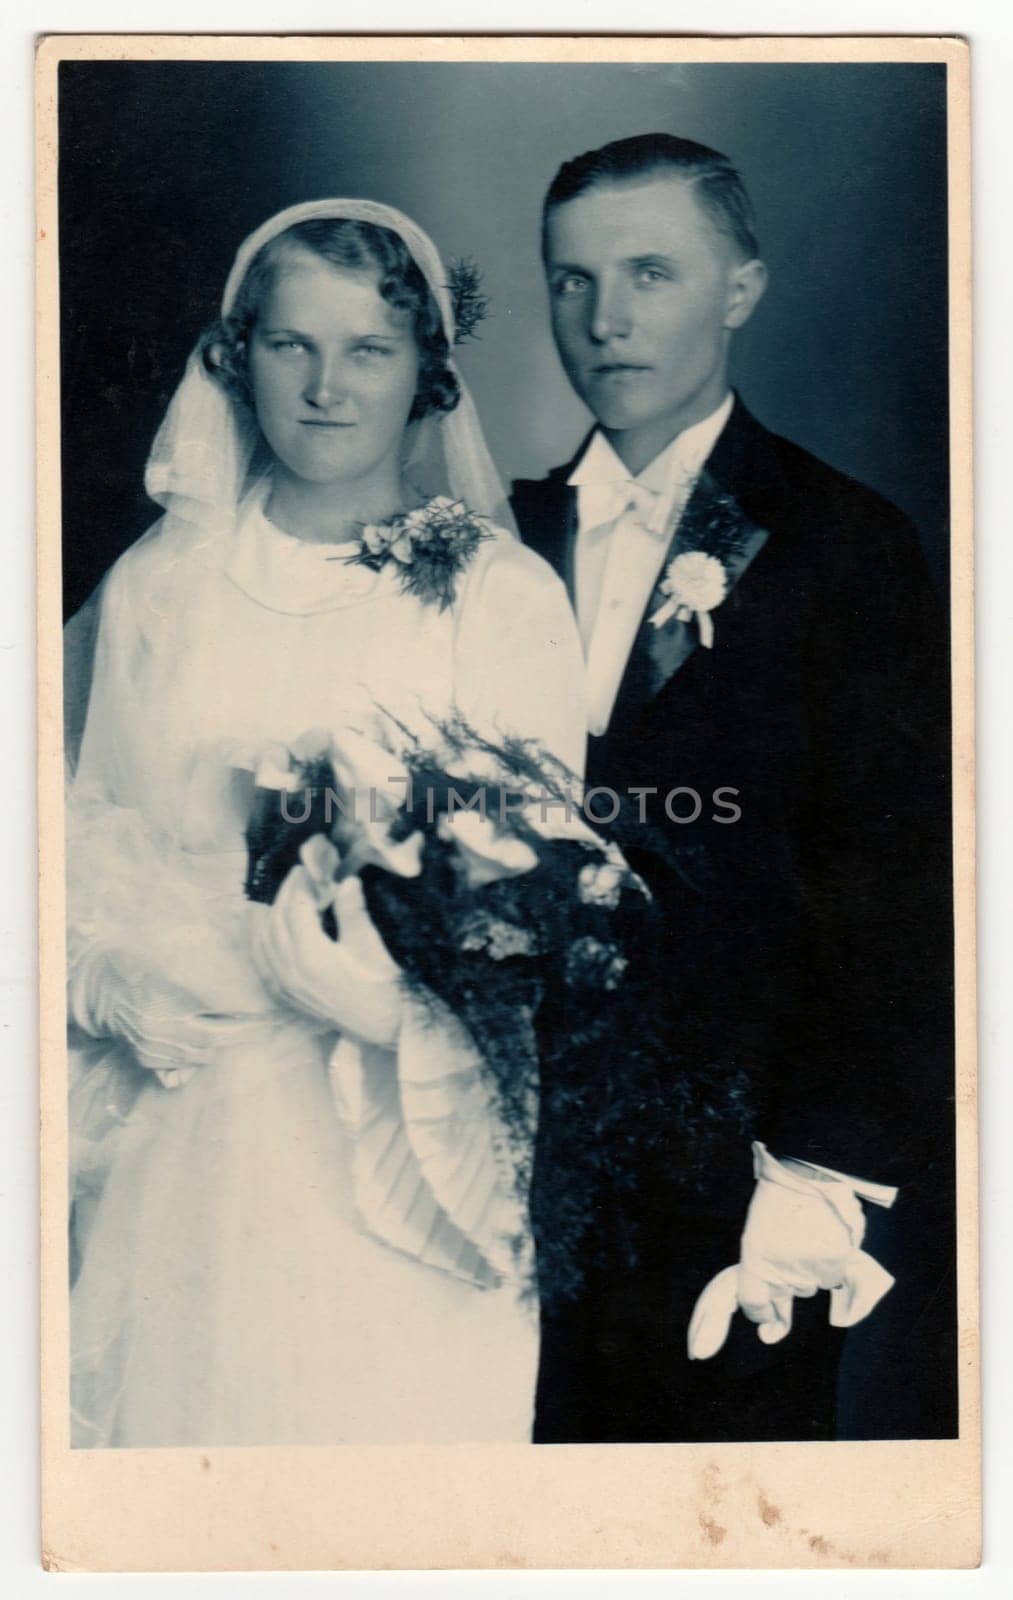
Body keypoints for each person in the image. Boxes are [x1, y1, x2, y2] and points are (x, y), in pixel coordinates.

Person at [65, 199, 587, 1447]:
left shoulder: (494, 594)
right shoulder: (161, 582)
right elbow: (77, 824)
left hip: (400, 1136)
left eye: (366, 350)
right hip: (188, 1118)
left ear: (426, 374)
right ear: (237, 357)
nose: (325, 388)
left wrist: (380, 997)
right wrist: (99, 980)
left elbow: (533, 903)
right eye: (291, 346)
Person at [511, 134, 954, 1443]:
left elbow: (901, 889)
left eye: (650, 272)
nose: (606, 318)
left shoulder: (841, 541)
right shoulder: (498, 539)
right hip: (500, 1182)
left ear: (741, 288)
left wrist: (822, 1174)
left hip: (734, 1192)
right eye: (573, 278)